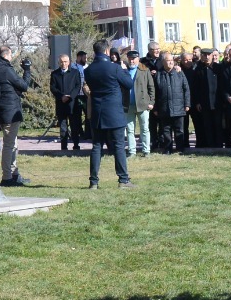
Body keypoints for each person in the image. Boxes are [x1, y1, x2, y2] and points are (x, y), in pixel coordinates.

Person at [83, 39, 134, 188]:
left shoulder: (88, 70)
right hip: (114, 112)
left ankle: (93, 182)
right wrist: (124, 69)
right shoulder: (115, 68)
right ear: (107, 51)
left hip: (98, 113)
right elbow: (129, 84)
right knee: (118, 146)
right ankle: (123, 180)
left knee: (96, 146)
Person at [0, 46, 34, 186]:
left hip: (0, 109)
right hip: (10, 110)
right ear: (6, 55)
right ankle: (7, 177)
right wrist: (27, 70)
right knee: (9, 145)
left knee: (13, 143)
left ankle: (14, 174)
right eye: (11, 55)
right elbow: (23, 85)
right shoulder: (6, 70)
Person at [152, 51, 191, 152]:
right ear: (163, 62)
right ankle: (167, 149)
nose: (170, 63)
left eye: (171, 61)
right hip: (164, 107)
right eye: (168, 61)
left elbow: (186, 89)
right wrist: (155, 107)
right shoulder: (158, 75)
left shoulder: (179, 73)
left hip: (179, 107)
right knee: (166, 130)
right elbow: (154, 92)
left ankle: (180, 149)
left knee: (179, 130)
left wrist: (187, 104)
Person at [50, 52, 84, 153]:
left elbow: (78, 86)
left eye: (65, 62)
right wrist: (61, 96)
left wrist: (70, 96)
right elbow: (53, 88)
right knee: (63, 127)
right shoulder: (54, 74)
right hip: (61, 104)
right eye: (61, 62)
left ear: (69, 62)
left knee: (74, 126)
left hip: (72, 104)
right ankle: (64, 147)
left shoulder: (75, 72)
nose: (63, 64)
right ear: (58, 63)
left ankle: (76, 145)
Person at [125, 49, 156, 156]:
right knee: (130, 130)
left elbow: (151, 87)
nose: (131, 61)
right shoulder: (124, 70)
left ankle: (146, 150)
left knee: (145, 129)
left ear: (138, 58)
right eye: (129, 59)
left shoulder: (144, 70)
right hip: (128, 105)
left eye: (133, 59)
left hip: (143, 104)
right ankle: (132, 151)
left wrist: (151, 101)